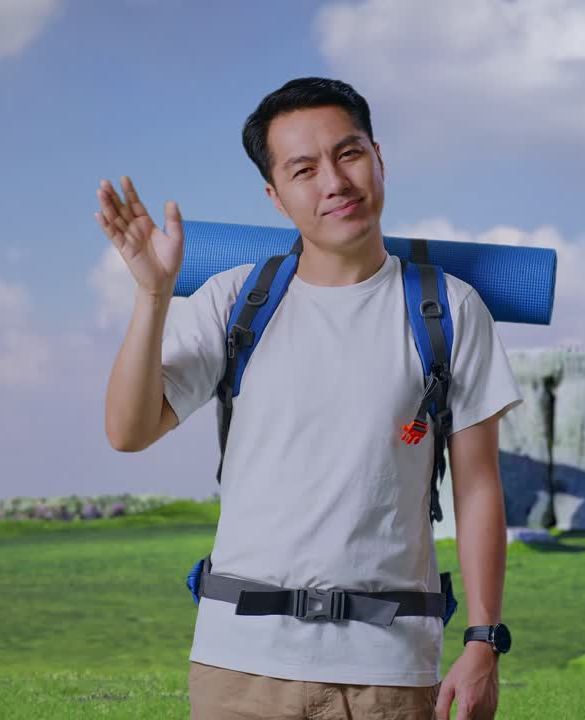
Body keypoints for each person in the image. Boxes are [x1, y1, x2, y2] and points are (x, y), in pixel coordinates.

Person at [96, 77, 522, 720]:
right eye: (303, 169)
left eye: (348, 154)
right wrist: (154, 296)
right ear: (275, 195)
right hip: (239, 665)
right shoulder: (235, 300)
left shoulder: (450, 310)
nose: (334, 181)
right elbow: (128, 432)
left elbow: (479, 486)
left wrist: (484, 639)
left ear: (378, 158)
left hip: (388, 670)